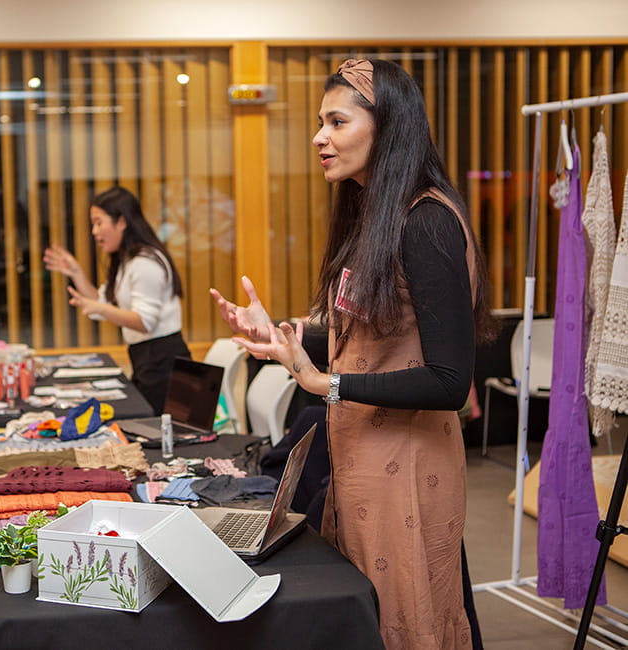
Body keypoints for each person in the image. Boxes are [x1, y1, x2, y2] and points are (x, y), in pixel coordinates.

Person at [211, 59, 496, 649]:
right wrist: (284, 336)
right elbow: (366, 330)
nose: (320, 136)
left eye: (337, 122)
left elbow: (448, 381)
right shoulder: (377, 216)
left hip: (409, 464)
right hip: (363, 452)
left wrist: (328, 385)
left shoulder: (428, 222)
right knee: (368, 615)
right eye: (320, 122)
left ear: (386, 128)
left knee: (407, 618)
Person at [44, 185, 190, 411]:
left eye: (99, 222)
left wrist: (98, 308)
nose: (94, 231)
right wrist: (75, 272)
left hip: (164, 363)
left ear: (121, 222)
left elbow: (144, 322)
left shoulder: (145, 262)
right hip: (148, 359)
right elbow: (105, 302)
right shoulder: (128, 261)